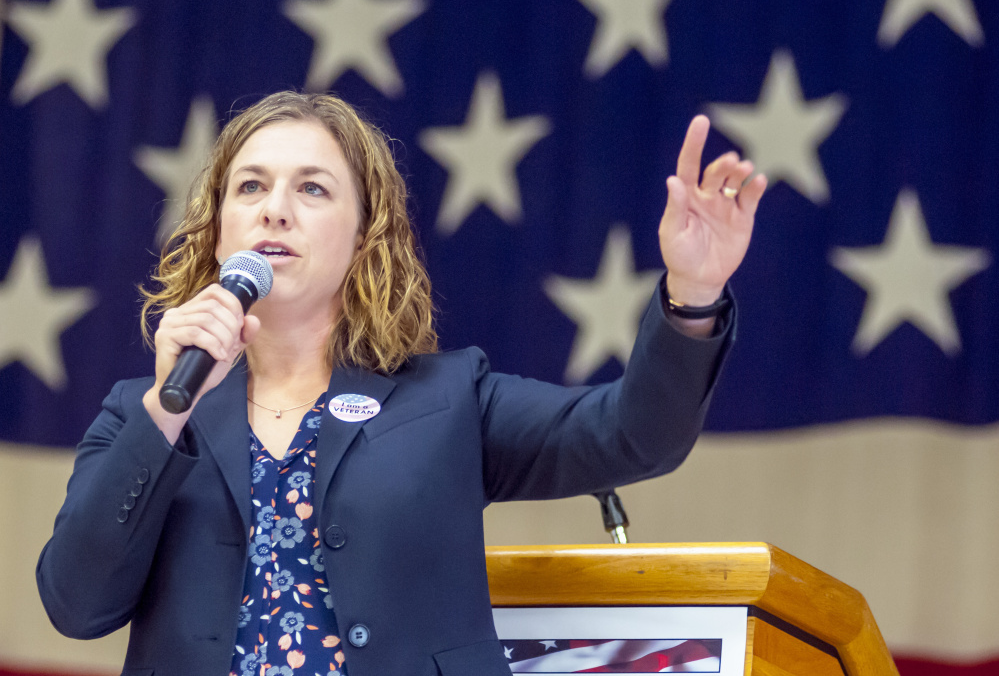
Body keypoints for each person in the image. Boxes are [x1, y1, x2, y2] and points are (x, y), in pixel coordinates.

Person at [36, 91, 766, 676]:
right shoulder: (145, 413)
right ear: (218, 231)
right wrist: (166, 415)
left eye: (312, 188)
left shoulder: (446, 400)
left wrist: (691, 292)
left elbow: (632, 436)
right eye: (250, 186)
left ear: (364, 235)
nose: (274, 207)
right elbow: (76, 603)